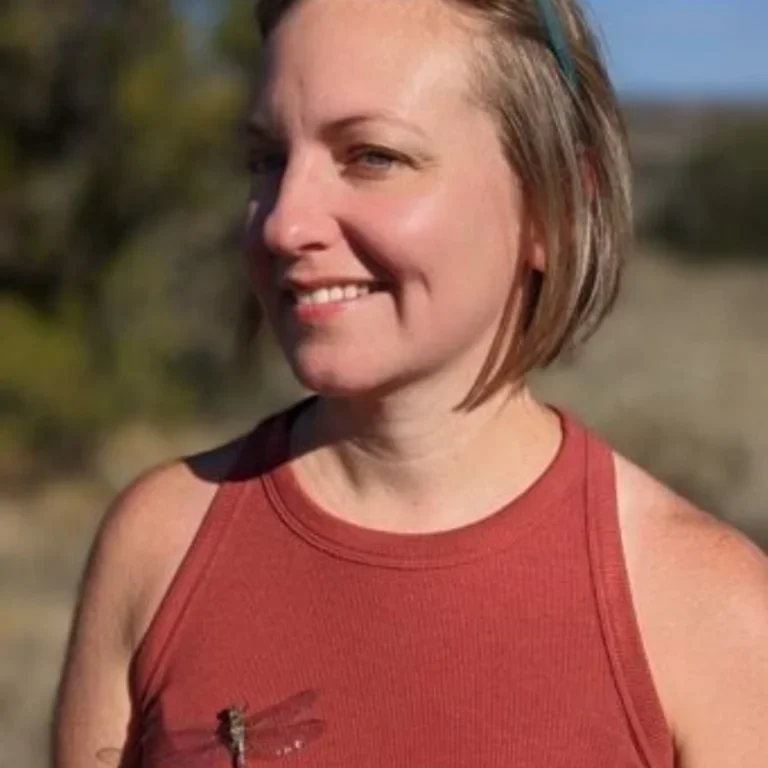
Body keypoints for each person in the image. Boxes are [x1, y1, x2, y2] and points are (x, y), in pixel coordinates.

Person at [53, 0, 768, 765]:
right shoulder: (159, 546)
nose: (284, 224)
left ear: (552, 206)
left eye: (372, 157)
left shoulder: (705, 610)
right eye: (265, 159)